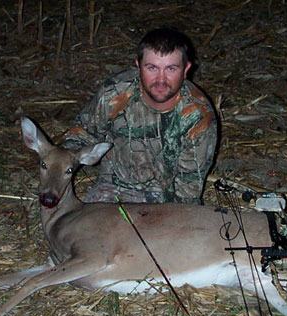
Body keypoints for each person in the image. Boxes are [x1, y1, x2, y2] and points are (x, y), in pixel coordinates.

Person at [63, 27, 217, 204]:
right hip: (113, 187)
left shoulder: (198, 116)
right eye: (152, 67)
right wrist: (63, 164)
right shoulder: (114, 93)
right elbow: (81, 133)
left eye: (171, 69)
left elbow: (187, 191)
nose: (161, 80)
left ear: (186, 69)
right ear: (138, 66)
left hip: (166, 198)